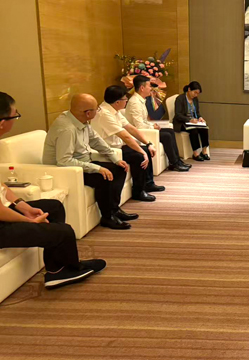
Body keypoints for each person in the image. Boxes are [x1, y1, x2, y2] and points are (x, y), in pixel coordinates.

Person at [0, 92, 106, 289]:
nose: (16, 119)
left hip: (4, 211)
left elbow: (1, 187)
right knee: (63, 232)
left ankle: (57, 268)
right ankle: (68, 269)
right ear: (2, 123)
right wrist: (27, 220)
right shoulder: (66, 127)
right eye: (15, 116)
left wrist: (22, 206)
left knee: (54, 206)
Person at [43, 94, 134, 230]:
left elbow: (96, 141)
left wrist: (115, 159)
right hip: (65, 171)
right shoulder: (67, 129)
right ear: (88, 113)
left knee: (120, 169)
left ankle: (114, 210)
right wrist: (97, 168)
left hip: (81, 163)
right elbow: (64, 161)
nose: (98, 111)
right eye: (97, 109)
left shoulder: (80, 120)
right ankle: (107, 217)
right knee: (103, 177)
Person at [92, 85, 166, 202]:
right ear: (117, 102)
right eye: (125, 98)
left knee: (145, 150)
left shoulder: (114, 110)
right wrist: (142, 152)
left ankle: (148, 183)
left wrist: (148, 144)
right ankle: (138, 192)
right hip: (109, 150)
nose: (127, 100)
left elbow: (130, 128)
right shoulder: (105, 114)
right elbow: (125, 136)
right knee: (139, 156)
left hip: (118, 146)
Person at [125, 75, 190, 172]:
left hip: (145, 129)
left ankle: (177, 161)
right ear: (142, 88)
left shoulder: (141, 100)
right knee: (166, 136)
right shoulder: (135, 103)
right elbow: (139, 126)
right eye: (149, 86)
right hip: (138, 133)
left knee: (170, 131)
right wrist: (152, 127)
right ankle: (174, 163)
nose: (151, 88)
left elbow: (144, 121)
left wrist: (152, 125)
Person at [173, 81, 210, 162]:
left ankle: (204, 151)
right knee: (194, 131)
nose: (196, 95)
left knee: (205, 129)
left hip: (194, 122)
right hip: (182, 122)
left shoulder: (195, 99)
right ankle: (195, 153)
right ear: (189, 89)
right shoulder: (180, 99)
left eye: (198, 93)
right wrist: (189, 119)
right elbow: (178, 115)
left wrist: (200, 118)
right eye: (195, 92)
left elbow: (197, 112)